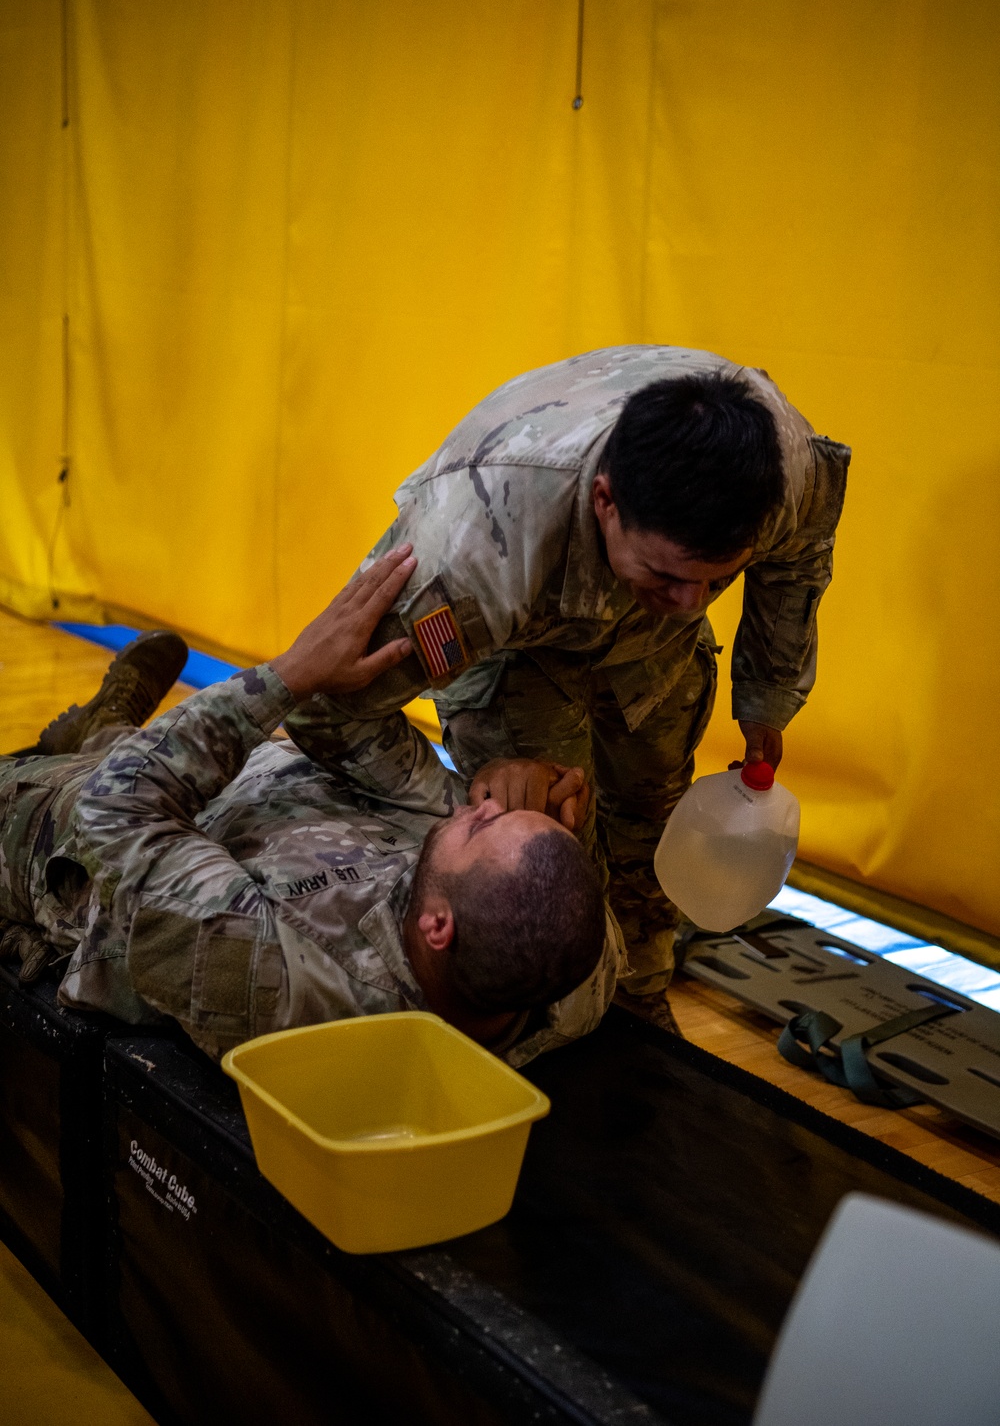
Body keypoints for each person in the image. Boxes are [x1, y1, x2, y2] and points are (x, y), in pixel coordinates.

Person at [282, 347, 851, 1018]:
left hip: (644, 643)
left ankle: (638, 999)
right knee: (550, 847)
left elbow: (798, 558)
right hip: (516, 648)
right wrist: (474, 804)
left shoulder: (782, 474)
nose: (695, 604)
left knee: (653, 820)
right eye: (667, 575)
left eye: (714, 579)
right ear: (606, 502)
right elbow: (326, 715)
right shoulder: (470, 556)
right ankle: (560, 1018)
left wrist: (765, 698)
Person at [0, 550, 617, 1065]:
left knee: (70, 785)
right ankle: (105, 731)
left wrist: (289, 674)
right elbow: (331, 726)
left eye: (486, 824)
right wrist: (528, 787)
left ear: (438, 927)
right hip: (252, 777)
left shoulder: (282, 975)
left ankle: (101, 742)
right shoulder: (572, 971)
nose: (478, 807)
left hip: (86, 836)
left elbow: (119, 806)